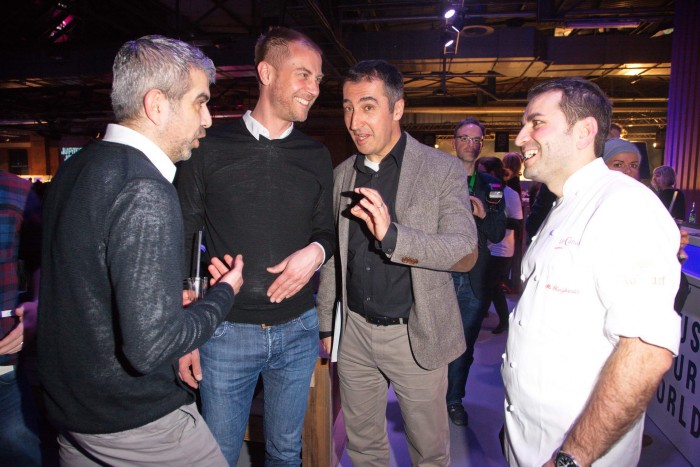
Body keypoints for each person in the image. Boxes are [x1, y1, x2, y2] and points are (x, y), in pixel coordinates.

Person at [38, 35, 244, 466]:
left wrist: (167, 307)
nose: (208, 118)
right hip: (133, 420)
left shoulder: (79, 166)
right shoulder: (145, 188)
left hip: (71, 414)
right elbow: (150, 347)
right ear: (156, 105)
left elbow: (90, 290)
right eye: (199, 102)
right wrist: (222, 294)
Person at [175, 27, 335, 465]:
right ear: (266, 72)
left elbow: (327, 231)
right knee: (220, 454)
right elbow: (185, 232)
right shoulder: (209, 146)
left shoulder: (316, 154)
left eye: (318, 79)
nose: (314, 90)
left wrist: (314, 254)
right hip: (225, 331)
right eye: (303, 75)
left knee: (286, 451)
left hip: (298, 330)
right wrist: (186, 330)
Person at [502, 77, 681, 466]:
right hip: (529, 442)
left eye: (536, 123)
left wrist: (570, 459)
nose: (520, 138)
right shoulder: (563, 204)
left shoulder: (625, 207)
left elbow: (647, 352)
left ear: (584, 131)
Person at [316, 59, 477, 466]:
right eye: (348, 107)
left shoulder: (441, 169)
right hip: (354, 333)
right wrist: (326, 322)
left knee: (429, 451)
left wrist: (393, 237)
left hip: (414, 336)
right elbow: (336, 256)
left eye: (368, 106)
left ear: (397, 109)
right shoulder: (341, 176)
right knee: (363, 447)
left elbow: (464, 250)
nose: (355, 120)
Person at [446, 117, 505, 425]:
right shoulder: (438, 180)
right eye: (464, 138)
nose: (470, 144)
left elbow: (496, 233)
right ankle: (431, 398)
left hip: (474, 278)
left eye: (476, 140)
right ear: (454, 142)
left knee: (464, 345)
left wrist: (482, 216)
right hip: (440, 275)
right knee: (436, 340)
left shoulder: (492, 185)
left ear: (482, 145)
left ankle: (454, 399)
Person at [0, 170, 42, 466]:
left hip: (4, 364)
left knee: (19, 448)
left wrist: (38, 305)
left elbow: (43, 256)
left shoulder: (16, 190)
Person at [477, 156, 523, 334]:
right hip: (488, 245)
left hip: (502, 247)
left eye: (483, 172)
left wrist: (492, 220)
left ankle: (504, 321)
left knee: (493, 285)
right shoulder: (493, 190)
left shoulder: (509, 193)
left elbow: (517, 224)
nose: (480, 176)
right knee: (488, 283)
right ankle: (485, 314)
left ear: (493, 173)